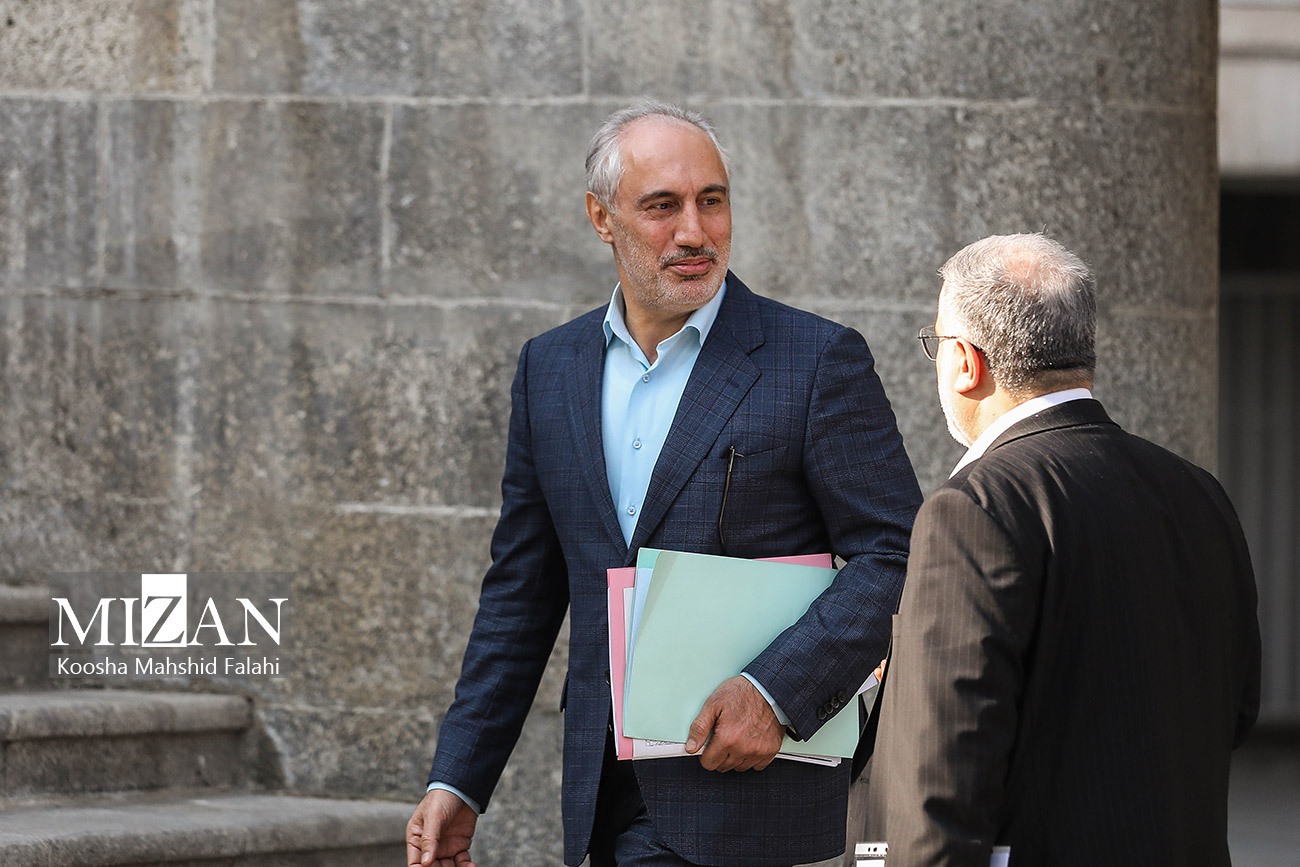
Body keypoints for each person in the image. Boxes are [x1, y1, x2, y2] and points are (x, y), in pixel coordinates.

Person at [406, 99, 922, 867]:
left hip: (749, 799)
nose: (694, 231)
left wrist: (776, 690)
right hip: (601, 803)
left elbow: (900, 554)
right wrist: (460, 777)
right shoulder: (550, 370)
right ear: (601, 217)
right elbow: (521, 594)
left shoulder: (816, 361)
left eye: (712, 201)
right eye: (661, 206)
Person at [863, 233, 1262, 865]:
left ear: (965, 361)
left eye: (935, 343)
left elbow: (939, 782)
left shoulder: (973, 508)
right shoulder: (1200, 493)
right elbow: (1237, 710)